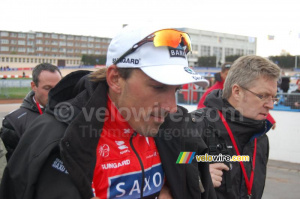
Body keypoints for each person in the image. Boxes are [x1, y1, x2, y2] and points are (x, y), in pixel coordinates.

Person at [0, 25, 216, 199]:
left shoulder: (173, 125)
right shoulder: (56, 136)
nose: (171, 106)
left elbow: (187, 160)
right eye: (158, 87)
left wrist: (194, 173)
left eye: (176, 90)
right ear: (115, 79)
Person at [192, 55, 280, 199]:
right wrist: (197, 175)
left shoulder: (261, 137)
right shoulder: (197, 125)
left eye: (273, 98)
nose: (270, 105)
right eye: (263, 96)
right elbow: (178, 160)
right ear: (237, 91)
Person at [0, 63, 62, 161]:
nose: (54, 93)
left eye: (57, 88)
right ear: (34, 86)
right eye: (47, 88)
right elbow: (12, 167)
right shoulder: (13, 121)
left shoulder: (70, 114)